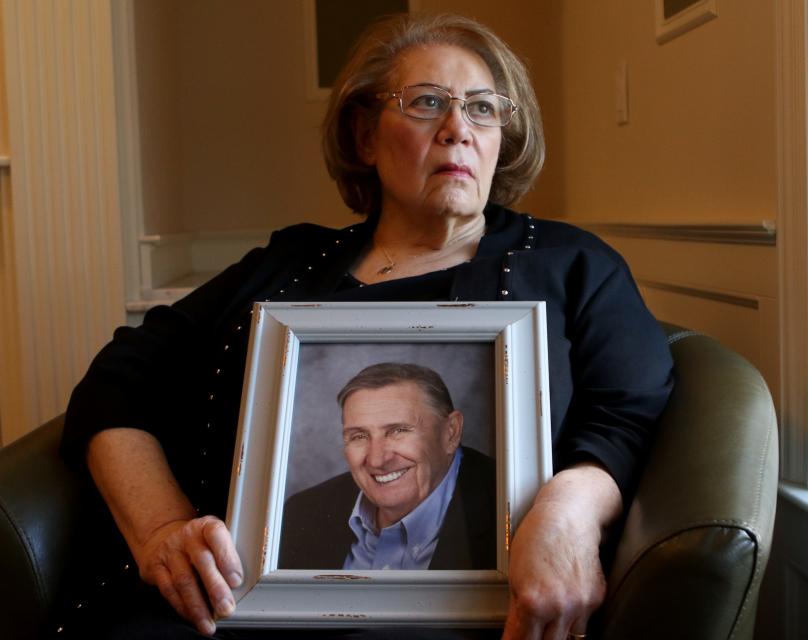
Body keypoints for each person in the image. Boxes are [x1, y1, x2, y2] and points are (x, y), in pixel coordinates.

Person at [61, 12, 673, 640]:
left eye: (483, 108)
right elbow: (120, 377)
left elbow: (630, 412)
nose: (458, 129)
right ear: (364, 138)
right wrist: (161, 528)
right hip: (232, 608)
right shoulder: (287, 262)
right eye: (428, 102)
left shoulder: (573, 264)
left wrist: (570, 511)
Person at [278, 362, 496, 571]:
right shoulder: (302, 513)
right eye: (359, 436)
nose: (376, 460)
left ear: (451, 432)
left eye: (397, 431)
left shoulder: (506, 507)